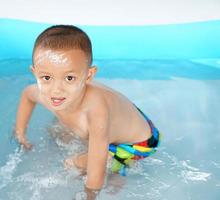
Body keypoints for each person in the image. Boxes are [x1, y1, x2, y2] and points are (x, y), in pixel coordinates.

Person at [14, 25, 161, 194]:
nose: (56, 90)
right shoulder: (44, 93)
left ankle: (118, 170)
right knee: (56, 131)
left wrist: (89, 195)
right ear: (35, 73)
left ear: (88, 76)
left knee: (73, 163)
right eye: (46, 77)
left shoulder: (96, 113)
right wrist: (20, 134)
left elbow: (95, 172)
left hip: (139, 143)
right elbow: (27, 95)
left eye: (69, 78)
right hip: (121, 117)